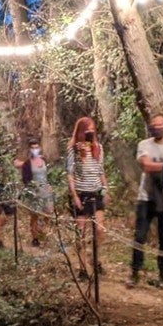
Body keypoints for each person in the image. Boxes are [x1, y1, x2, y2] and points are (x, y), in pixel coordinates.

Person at [129, 114, 163, 289]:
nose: (157, 128)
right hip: (146, 197)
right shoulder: (144, 145)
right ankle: (135, 272)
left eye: (160, 125)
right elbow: (147, 166)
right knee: (139, 236)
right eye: (153, 125)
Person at [66, 117, 109, 280]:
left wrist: (105, 188)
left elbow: (101, 170)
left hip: (96, 192)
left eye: (92, 130)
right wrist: (74, 195)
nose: (90, 133)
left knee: (99, 229)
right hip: (82, 193)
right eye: (87, 130)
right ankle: (82, 268)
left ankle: (95, 259)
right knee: (81, 233)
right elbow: (70, 174)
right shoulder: (73, 150)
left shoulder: (99, 148)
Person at [14, 138, 54, 247]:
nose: (35, 150)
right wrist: (31, 190)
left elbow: (47, 174)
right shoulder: (27, 163)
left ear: (39, 148)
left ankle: (43, 231)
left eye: (36, 147)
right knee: (34, 215)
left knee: (48, 213)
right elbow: (25, 179)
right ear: (29, 149)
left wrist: (50, 185)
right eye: (32, 148)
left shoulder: (43, 160)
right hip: (34, 191)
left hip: (45, 190)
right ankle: (35, 238)